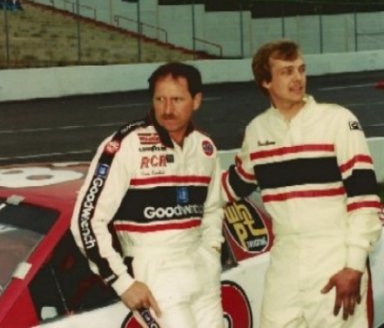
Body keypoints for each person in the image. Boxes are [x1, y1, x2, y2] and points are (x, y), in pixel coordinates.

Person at [221, 39, 382, 327]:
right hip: (284, 259)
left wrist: (354, 264)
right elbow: (232, 186)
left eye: (301, 69)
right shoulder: (257, 130)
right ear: (265, 81)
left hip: (334, 255)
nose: (298, 79)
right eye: (286, 71)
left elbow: (365, 198)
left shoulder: (339, 120)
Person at [71, 62, 224, 328]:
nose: (167, 109)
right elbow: (85, 220)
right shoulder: (124, 145)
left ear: (196, 100)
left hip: (200, 266)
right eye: (160, 99)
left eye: (177, 99)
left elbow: (213, 207)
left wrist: (211, 250)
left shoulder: (205, 146)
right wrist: (121, 281)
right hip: (154, 270)